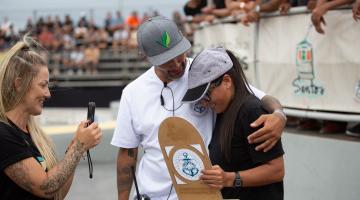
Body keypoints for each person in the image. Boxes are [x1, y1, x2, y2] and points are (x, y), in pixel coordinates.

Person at [111, 16, 286, 200]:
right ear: (146, 57)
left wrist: (279, 115)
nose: (177, 65)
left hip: (200, 194)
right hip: (151, 195)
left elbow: (260, 97)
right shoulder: (132, 93)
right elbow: (127, 154)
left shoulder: (204, 72)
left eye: (179, 54)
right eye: (167, 61)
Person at [0, 35, 102, 200]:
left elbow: (57, 193)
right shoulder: (3, 135)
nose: (47, 94)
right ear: (19, 84)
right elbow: (45, 187)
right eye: (42, 85)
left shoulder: (33, 134)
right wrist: (78, 147)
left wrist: (75, 146)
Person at [182, 47, 284, 200]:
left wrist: (229, 179)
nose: (204, 103)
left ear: (227, 81)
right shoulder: (223, 110)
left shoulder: (252, 111)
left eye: (206, 95)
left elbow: (276, 170)